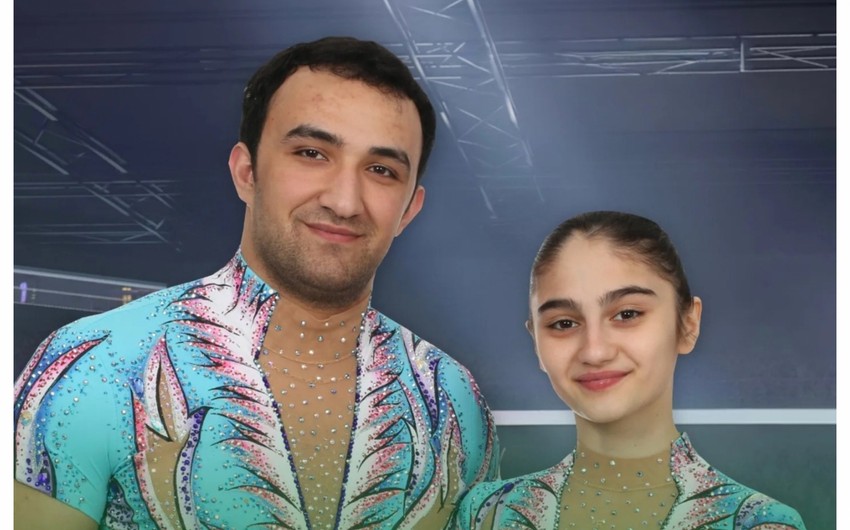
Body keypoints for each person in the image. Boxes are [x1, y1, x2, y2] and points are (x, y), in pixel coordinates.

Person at [14, 36, 499, 530]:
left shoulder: (452, 399)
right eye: (312, 153)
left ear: (409, 209)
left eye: (381, 170)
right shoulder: (97, 363)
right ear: (247, 172)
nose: (345, 201)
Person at [451, 211, 805, 529]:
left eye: (627, 314)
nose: (595, 351)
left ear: (688, 323)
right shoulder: (488, 514)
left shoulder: (757, 523)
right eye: (563, 323)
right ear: (536, 342)